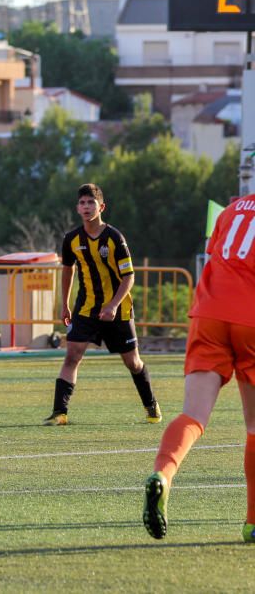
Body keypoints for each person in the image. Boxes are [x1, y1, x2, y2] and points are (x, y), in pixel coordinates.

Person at [143, 192, 255, 542]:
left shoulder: (234, 207)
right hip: (250, 318)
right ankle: (252, 521)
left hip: (208, 314)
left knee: (194, 414)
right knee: (254, 426)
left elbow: (218, 256)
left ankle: (163, 476)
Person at [43, 183, 161, 426]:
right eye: (82, 203)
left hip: (118, 310)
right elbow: (68, 271)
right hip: (86, 308)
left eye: (91, 203)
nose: (86, 207)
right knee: (72, 355)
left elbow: (129, 276)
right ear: (77, 208)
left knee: (133, 362)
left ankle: (151, 406)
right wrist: (64, 304)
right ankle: (59, 412)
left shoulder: (115, 238)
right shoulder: (71, 239)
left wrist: (114, 305)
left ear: (101, 207)